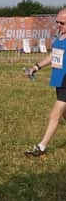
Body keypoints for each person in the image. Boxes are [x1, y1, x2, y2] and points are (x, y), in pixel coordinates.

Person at [24, 8, 66, 157]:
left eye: (63, 23)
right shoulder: (60, 37)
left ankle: (41, 147)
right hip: (59, 81)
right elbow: (53, 56)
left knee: (55, 114)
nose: (59, 25)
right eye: (58, 22)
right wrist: (37, 66)